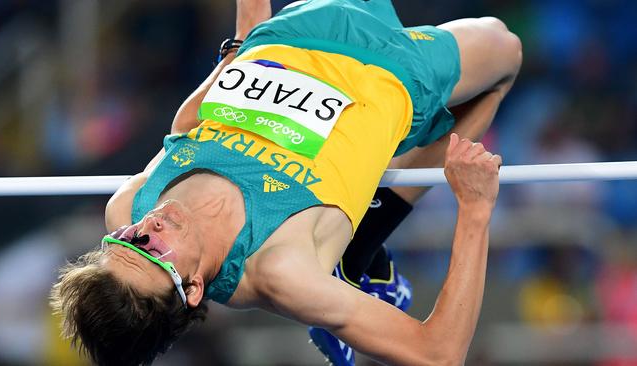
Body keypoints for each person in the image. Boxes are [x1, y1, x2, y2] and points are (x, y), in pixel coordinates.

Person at [50, 0, 521, 365]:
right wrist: (475, 209)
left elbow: (185, 129)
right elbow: (439, 355)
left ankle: (359, 250)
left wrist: (242, 45)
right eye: (150, 249)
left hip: (290, 36)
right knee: (506, 52)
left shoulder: (128, 206)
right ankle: (358, 249)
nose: (144, 228)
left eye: (124, 242)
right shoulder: (281, 271)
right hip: (393, 71)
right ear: (193, 288)